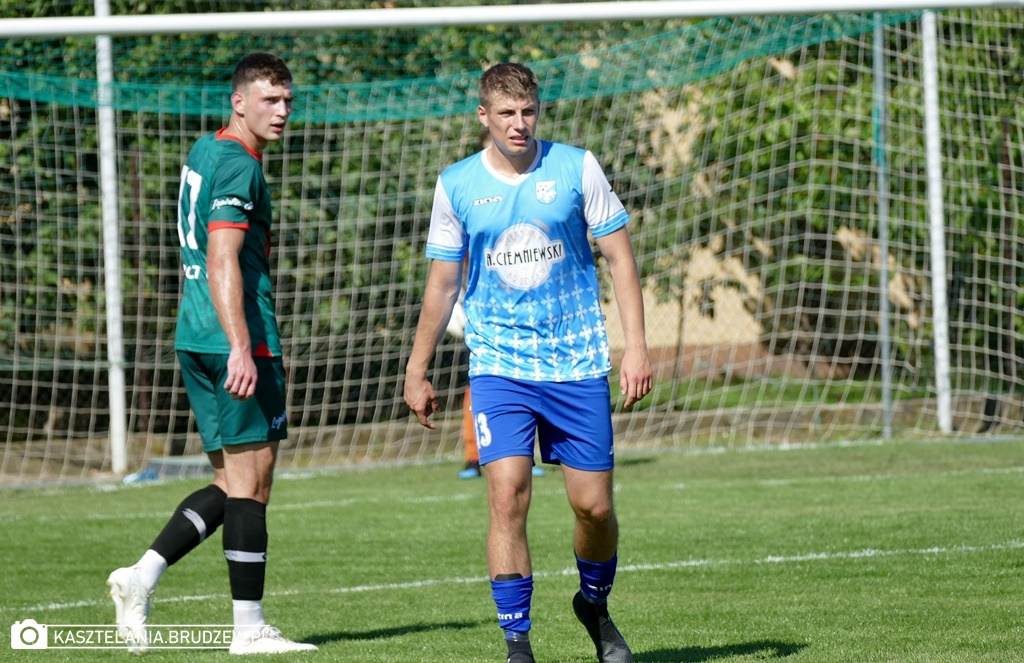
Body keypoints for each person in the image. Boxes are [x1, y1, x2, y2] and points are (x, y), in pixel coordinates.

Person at [404, 62, 652, 663]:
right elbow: (442, 284)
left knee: (594, 507)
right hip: (500, 366)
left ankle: (594, 604)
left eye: (528, 111)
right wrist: (417, 367)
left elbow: (620, 257)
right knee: (507, 496)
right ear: (483, 116)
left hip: (576, 361)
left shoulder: (576, 167)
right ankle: (518, 644)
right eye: (507, 113)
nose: (519, 123)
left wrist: (637, 347)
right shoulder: (457, 184)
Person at [106, 52, 316, 655]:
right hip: (236, 341)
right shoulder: (239, 167)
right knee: (252, 487)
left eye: (287, 99)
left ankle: (142, 575)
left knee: (230, 482)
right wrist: (242, 347)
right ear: (239, 102)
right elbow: (222, 257)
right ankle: (248, 630)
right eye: (269, 99)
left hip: (194, 335)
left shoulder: (205, 149)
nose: (282, 110)